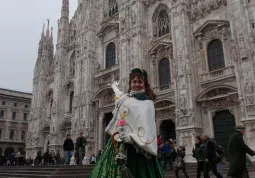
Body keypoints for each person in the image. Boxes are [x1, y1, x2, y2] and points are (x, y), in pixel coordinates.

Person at [89, 68, 164, 178]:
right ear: (130, 84)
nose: (136, 84)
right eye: (134, 82)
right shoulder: (126, 98)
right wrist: (114, 86)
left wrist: (132, 139)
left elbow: (148, 128)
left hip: (137, 150)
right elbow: (119, 95)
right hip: (119, 143)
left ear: (145, 84)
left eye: (140, 82)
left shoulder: (148, 103)